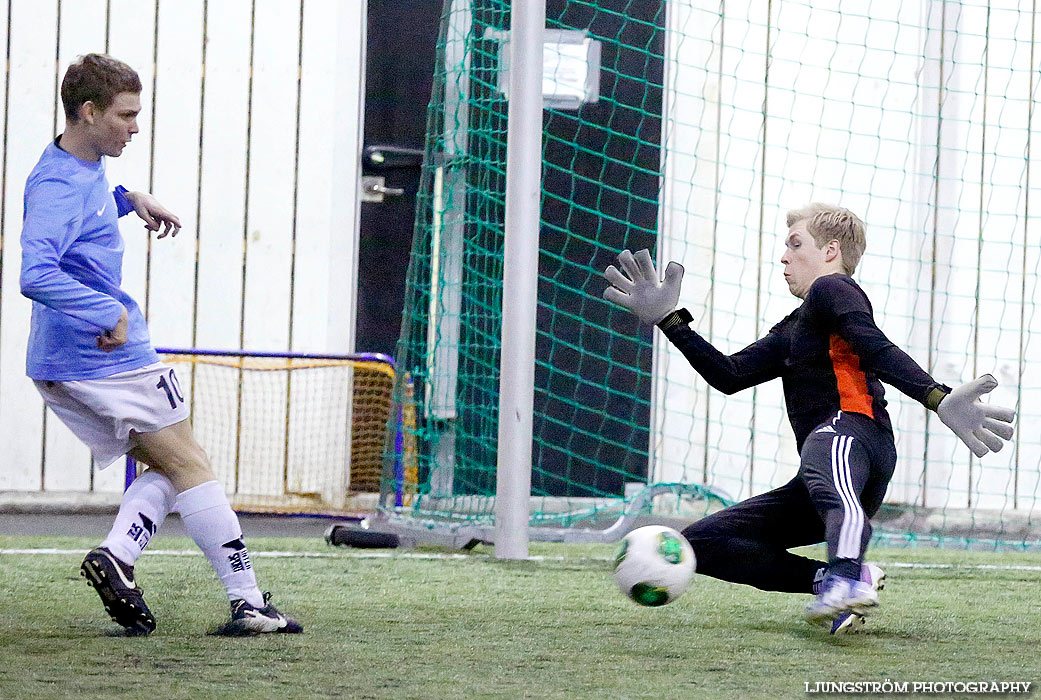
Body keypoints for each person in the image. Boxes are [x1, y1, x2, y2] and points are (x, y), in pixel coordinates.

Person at [602, 204, 1016, 633]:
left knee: (828, 458)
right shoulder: (794, 327)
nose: (784, 256)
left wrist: (936, 397)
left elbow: (875, 346)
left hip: (853, 433)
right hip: (825, 467)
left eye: (795, 244)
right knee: (701, 544)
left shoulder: (833, 288)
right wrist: (671, 322)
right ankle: (829, 582)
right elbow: (730, 375)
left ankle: (845, 575)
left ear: (831, 250)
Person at [20, 53, 301, 636]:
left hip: (71, 358)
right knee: (191, 463)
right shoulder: (54, 184)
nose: (136, 127)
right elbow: (34, 272)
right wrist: (109, 312)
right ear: (89, 111)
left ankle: (118, 558)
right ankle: (248, 602)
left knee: (169, 467)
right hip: (101, 355)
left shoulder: (80, 165)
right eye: (126, 115)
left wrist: (129, 200)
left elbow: (84, 207)